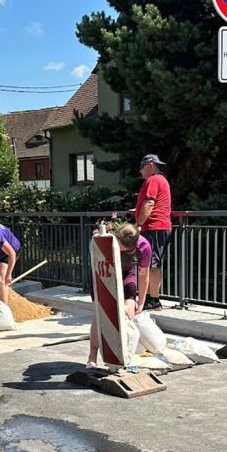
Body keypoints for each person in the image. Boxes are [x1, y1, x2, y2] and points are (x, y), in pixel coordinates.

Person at [87, 224, 151, 367]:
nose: (118, 247)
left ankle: (123, 355)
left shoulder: (144, 247)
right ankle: (92, 356)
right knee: (100, 314)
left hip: (127, 274)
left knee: (129, 310)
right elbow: (98, 262)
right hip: (104, 274)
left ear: (132, 246)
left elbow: (143, 274)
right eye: (118, 243)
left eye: (122, 247)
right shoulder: (107, 242)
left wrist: (141, 301)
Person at [133, 154, 172, 311]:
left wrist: (138, 223)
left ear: (149, 165)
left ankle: (153, 300)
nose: (141, 172)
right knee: (152, 263)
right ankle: (151, 298)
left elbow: (149, 203)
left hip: (154, 226)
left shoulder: (153, 180)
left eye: (142, 168)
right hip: (158, 226)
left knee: (151, 264)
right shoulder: (161, 180)